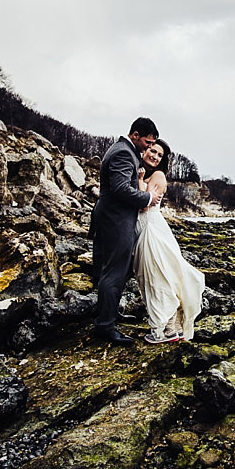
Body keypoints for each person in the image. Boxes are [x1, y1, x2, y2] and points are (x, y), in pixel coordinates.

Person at [91, 117, 164, 345]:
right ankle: (105, 326)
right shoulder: (123, 153)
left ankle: (110, 314)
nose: (149, 147)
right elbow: (121, 188)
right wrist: (148, 197)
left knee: (113, 270)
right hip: (115, 220)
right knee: (114, 272)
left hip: (112, 218)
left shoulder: (123, 150)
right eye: (147, 142)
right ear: (135, 135)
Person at [133, 139, 206, 343]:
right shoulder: (146, 172)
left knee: (156, 275)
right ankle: (173, 325)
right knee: (156, 273)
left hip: (151, 228)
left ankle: (167, 329)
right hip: (146, 227)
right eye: (152, 151)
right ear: (145, 149)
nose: (154, 156)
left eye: (159, 155)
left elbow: (145, 205)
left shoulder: (158, 176)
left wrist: (139, 180)